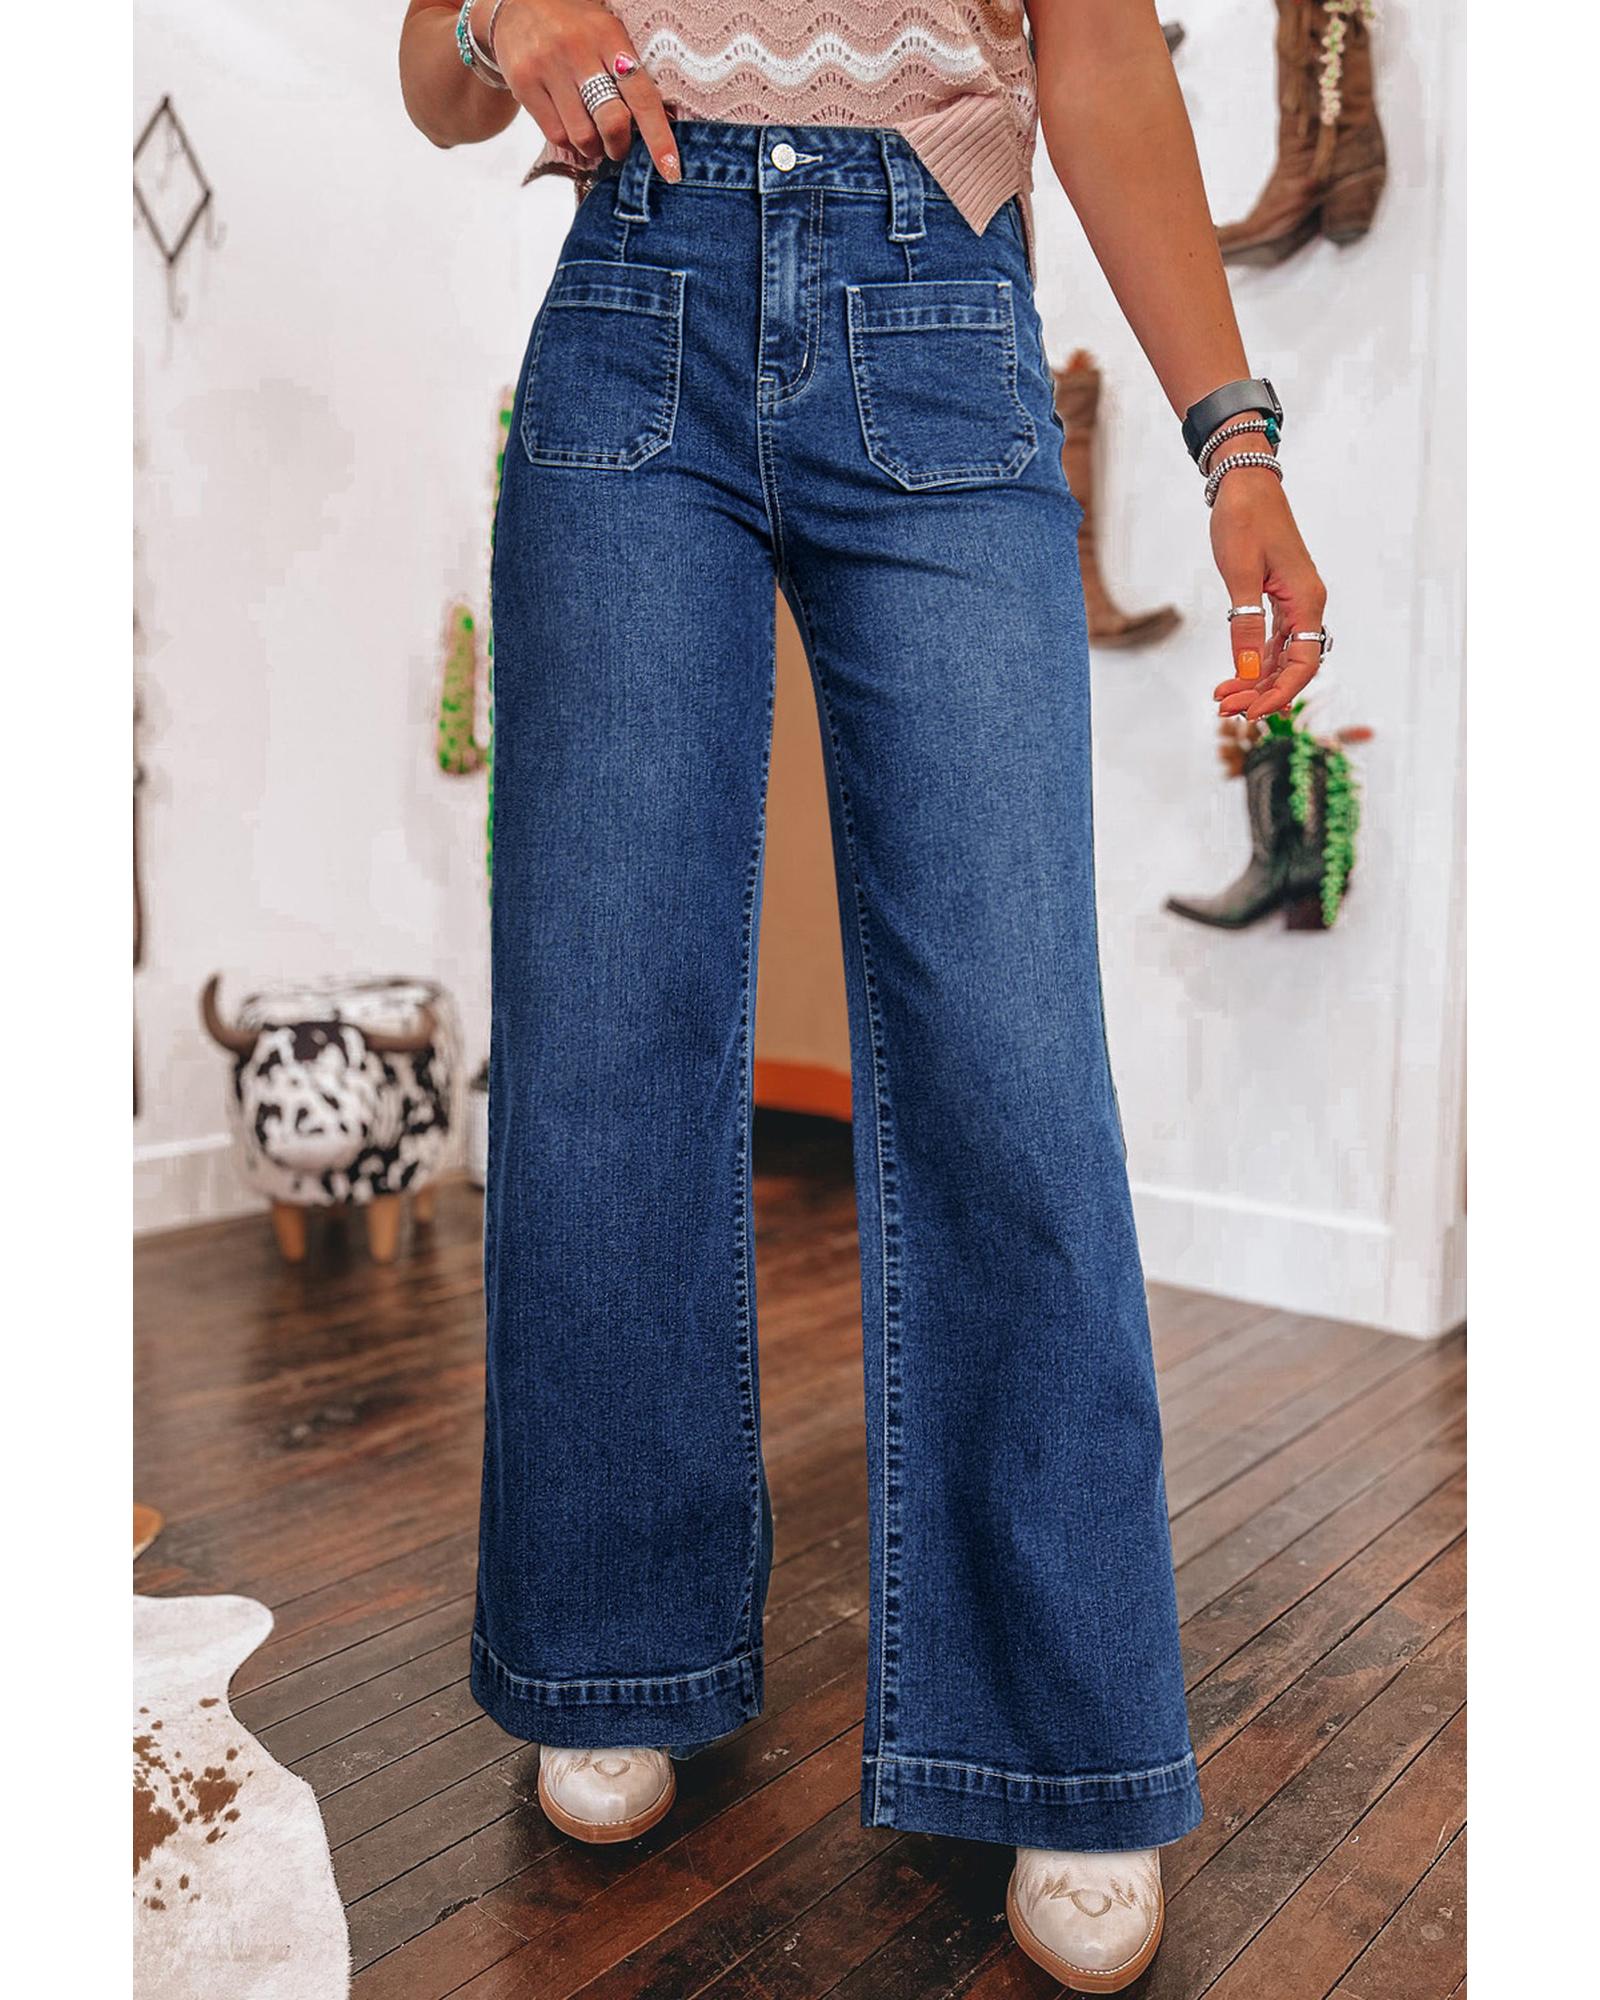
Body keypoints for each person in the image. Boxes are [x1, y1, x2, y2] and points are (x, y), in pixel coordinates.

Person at [400, 2, 1328, 1988]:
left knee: (1009, 1050)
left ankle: (1059, 1733)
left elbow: (1098, 60)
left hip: (938, 307)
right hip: (631, 299)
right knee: (605, 1023)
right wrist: (494, 13)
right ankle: (613, 1643)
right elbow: (433, 80)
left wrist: (1230, 439)